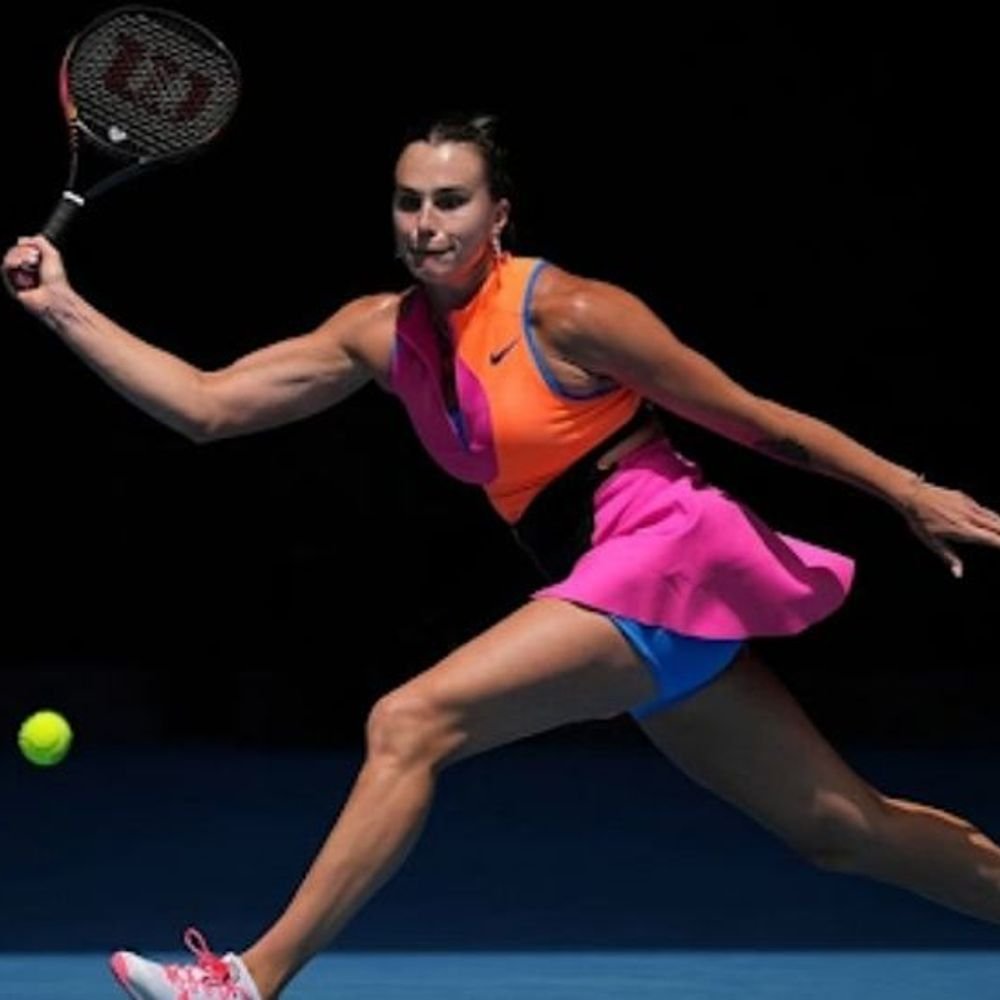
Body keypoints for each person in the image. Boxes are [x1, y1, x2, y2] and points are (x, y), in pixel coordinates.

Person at [5, 114, 1000, 1000]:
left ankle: (247, 979)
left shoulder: (572, 313)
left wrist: (905, 489)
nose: (426, 223)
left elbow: (753, 420)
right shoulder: (380, 334)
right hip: (616, 588)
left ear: (499, 215)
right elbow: (209, 405)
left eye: (451, 201)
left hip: (661, 553)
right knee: (842, 831)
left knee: (410, 720)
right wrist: (62, 307)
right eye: (408, 202)